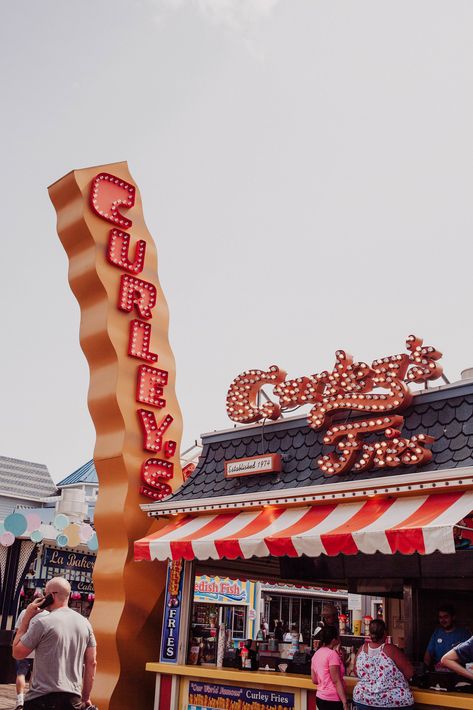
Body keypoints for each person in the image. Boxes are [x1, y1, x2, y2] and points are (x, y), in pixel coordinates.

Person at [12, 577, 97, 710]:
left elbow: (17, 653)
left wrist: (26, 619)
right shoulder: (85, 624)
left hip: (41, 698)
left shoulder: (43, 623)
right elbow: (91, 663)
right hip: (72, 699)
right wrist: (85, 698)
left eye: (46, 595)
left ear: (51, 596)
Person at [352, 619, 414, 710]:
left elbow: (356, 671)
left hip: (363, 699)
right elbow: (410, 673)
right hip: (391, 702)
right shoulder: (391, 649)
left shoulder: (362, 649)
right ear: (385, 633)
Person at [13, 607, 49, 710]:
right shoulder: (48, 615)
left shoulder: (25, 612)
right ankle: (31, 700)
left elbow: (17, 630)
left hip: (24, 647)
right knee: (35, 675)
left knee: (21, 673)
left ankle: (20, 700)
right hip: (39, 649)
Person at [311, 625, 347, 710]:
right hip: (333, 699)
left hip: (320, 697)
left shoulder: (317, 653)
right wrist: (345, 702)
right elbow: (336, 681)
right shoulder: (332, 654)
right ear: (334, 640)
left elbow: (314, 680)